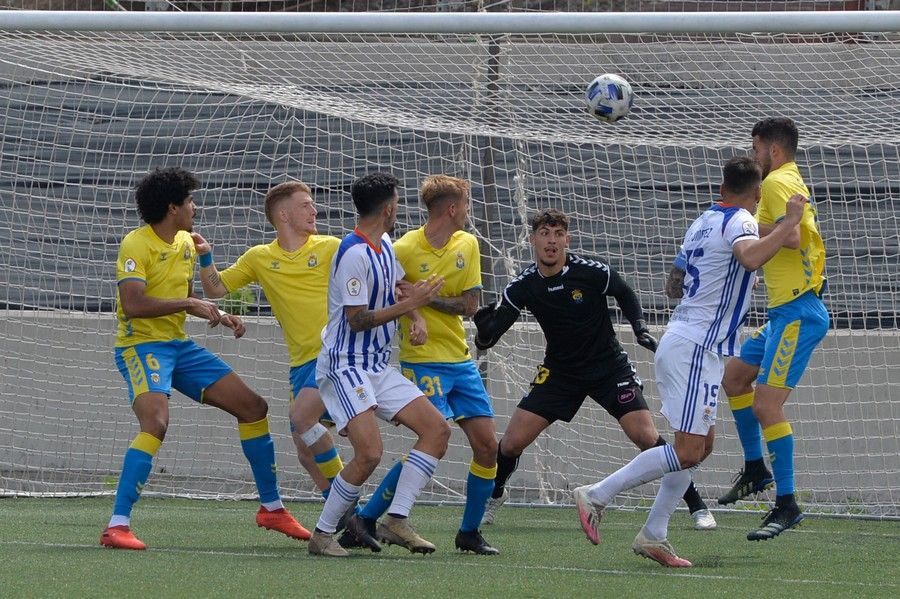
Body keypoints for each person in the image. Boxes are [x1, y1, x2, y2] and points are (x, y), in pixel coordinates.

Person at [573, 157, 808, 567]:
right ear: (755, 195)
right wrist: (789, 221)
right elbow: (750, 258)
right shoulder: (740, 221)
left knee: (701, 446)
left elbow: (673, 283)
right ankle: (597, 494)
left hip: (690, 342)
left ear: (722, 188)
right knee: (688, 449)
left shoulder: (703, 221)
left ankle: (654, 534)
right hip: (697, 347)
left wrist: (722, 279)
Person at [101, 167, 310, 550]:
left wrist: (220, 314)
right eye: (190, 201)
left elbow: (189, 301)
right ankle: (117, 525)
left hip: (177, 346)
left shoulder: (185, 242)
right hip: (141, 348)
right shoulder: (136, 244)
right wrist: (191, 302)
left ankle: (272, 508)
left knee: (253, 407)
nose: (195, 207)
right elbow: (133, 305)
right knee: (156, 423)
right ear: (172, 207)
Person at [473, 208, 715, 531]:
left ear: (567, 239)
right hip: (559, 372)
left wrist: (640, 326)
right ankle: (496, 494)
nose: (552, 241)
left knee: (646, 436)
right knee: (511, 443)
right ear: (533, 240)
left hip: (608, 368)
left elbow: (624, 292)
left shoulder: (590, 271)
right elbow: (490, 335)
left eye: (558, 234)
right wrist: (483, 332)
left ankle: (697, 505)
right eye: (545, 233)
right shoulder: (523, 285)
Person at [343, 175, 500, 555]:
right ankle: (371, 518)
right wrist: (414, 311)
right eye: (465, 205)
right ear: (452, 208)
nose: (467, 212)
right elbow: (395, 296)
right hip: (422, 359)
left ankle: (468, 532)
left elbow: (470, 305)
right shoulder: (404, 248)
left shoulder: (469, 244)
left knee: (487, 447)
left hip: (459, 358)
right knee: (434, 437)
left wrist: (425, 300)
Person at [307, 172, 449, 557]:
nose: (400, 208)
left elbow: (399, 288)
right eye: (399, 202)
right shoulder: (353, 252)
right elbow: (357, 319)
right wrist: (410, 306)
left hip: (377, 364)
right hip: (345, 365)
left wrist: (416, 316)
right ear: (388, 208)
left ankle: (396, 519)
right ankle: (322, 535)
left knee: (436, 430)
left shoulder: (385, 244)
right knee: (369, 453)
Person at [192, 181, 349, 509]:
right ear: (284, 214)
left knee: (306, 424)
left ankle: (350, 511)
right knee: (305, 451)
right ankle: (346, 510)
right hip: (302, 363)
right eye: (306, 205)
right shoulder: (260, 257)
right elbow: (216, 289)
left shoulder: (332, 247)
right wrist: (206, 257)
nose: (314, 210)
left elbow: (373, 274)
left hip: (335, 356)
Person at [717, 117, 829, 541]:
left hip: (798, 312)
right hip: (786, 311)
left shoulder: (779, 180)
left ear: (773, 151)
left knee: (767, 406)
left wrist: (740, 224)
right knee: (735, 378)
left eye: (756, 148)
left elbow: (795, 236)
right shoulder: (788, 177)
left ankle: (787, 503)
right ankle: (754, 468)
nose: (753, 155)